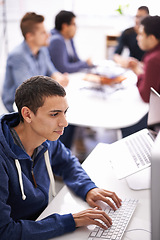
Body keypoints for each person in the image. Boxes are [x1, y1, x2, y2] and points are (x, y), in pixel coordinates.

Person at [0, 75, 122, 239]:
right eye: (54, 114)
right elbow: (5, 232)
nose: (64, 122)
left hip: (43, 221)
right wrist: (71, 221)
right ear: (27, 114)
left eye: (65, 112)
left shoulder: (45, 138)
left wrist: (88, 188)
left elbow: (67, 163)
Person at [2, 12, 69, 113]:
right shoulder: (17, 56)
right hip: (19, 107)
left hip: (39, 99)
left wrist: (59, 77)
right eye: (43, 32)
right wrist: (55, 84)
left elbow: (51, 70)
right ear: (30, 36)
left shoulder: (42, 50)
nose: (48, 35)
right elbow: (27, 91)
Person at [121, 15, 160, 137]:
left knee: (126, 123)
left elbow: (145, 95)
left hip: (155, 118)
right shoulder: (154, 54)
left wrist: (138, 73)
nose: (137, 38)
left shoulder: (153, 58)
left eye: (141, 34)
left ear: (152, 38)